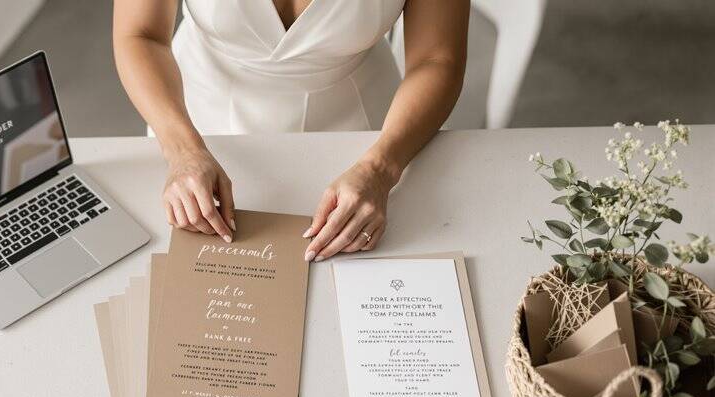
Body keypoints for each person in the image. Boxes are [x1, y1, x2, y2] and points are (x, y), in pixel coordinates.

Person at [113, 0, 469, 260]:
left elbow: (437, 58)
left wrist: (380, 169)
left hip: (368, 137)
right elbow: (140, 34)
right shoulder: (185, 143)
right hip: (194, 123)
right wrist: (183, 151)